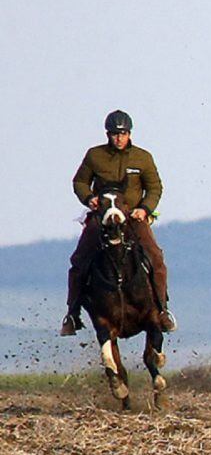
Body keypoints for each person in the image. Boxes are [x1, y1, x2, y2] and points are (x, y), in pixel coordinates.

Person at [61, 110, 177, 335]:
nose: (119, 138)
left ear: (129, 133)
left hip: (132, 217)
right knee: (79, 260)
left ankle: (162, 310)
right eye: (114, 134)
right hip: (103, 217)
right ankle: (72, 314)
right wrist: (89, 198)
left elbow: (155, 187)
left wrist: (145, 209)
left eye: (122, 133)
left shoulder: (143, 158)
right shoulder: (95, 156)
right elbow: (80, 181)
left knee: (156, 258)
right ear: (108, 134)